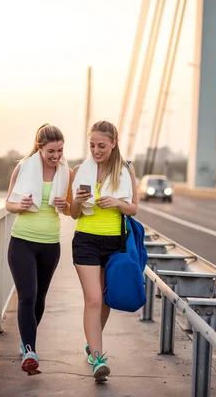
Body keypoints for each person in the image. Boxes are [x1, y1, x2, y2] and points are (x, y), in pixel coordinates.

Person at [69, 120, 138, 382]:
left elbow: (133, 209)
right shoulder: (79, 171)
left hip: (114, 244)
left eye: (101, 146)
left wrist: (118, 202)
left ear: (113, 144)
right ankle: (98, 357)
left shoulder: (126, 171)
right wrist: (76, 201)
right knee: (94, 299)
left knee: (106, 301)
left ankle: (92, 341)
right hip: (85, 240)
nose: (96, 151)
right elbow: (73, 214)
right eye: (92, 146)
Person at [5, 123, 72, 374]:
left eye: (60, 151)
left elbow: (69, 209)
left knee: (40, 299)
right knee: (27, 297)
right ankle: (31, 351)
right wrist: (19, 205)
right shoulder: (23, 167)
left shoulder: (65, 172)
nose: (56, 157)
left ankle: (26, 345)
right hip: (22, 241)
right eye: (51, 152)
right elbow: (8, 204)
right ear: (40, 148)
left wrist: (64, 204)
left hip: (50, 245)